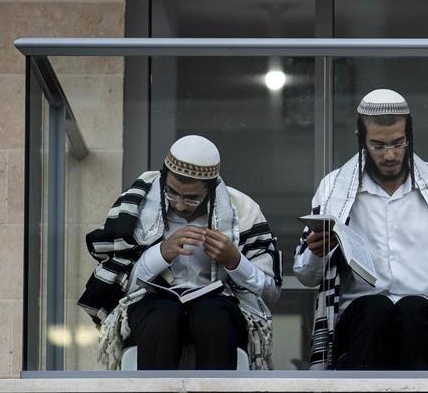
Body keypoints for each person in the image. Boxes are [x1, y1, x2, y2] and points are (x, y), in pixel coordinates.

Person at [294, 89, 428, 369]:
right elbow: (306, 275)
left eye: (398, 143)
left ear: (410, 135)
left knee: (412, 309)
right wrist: (316, 253)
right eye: (378, 145)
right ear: (360, 139)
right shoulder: (334, 190)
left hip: (427, 318)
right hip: (360, 320)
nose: (390, 155)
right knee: (375, 309)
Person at [77, 135, 281, 369]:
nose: (180, 204)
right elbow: (117, 290)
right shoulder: (136, 207)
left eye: (192, 198)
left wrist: (234, 261)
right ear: (163, 179)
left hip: (219, 312)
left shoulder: (243, 211)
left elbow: (270, 294)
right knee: (161, 314)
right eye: (172, 193)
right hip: (152, 310)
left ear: (211, 189)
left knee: (211, 314)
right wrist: (160, 254)